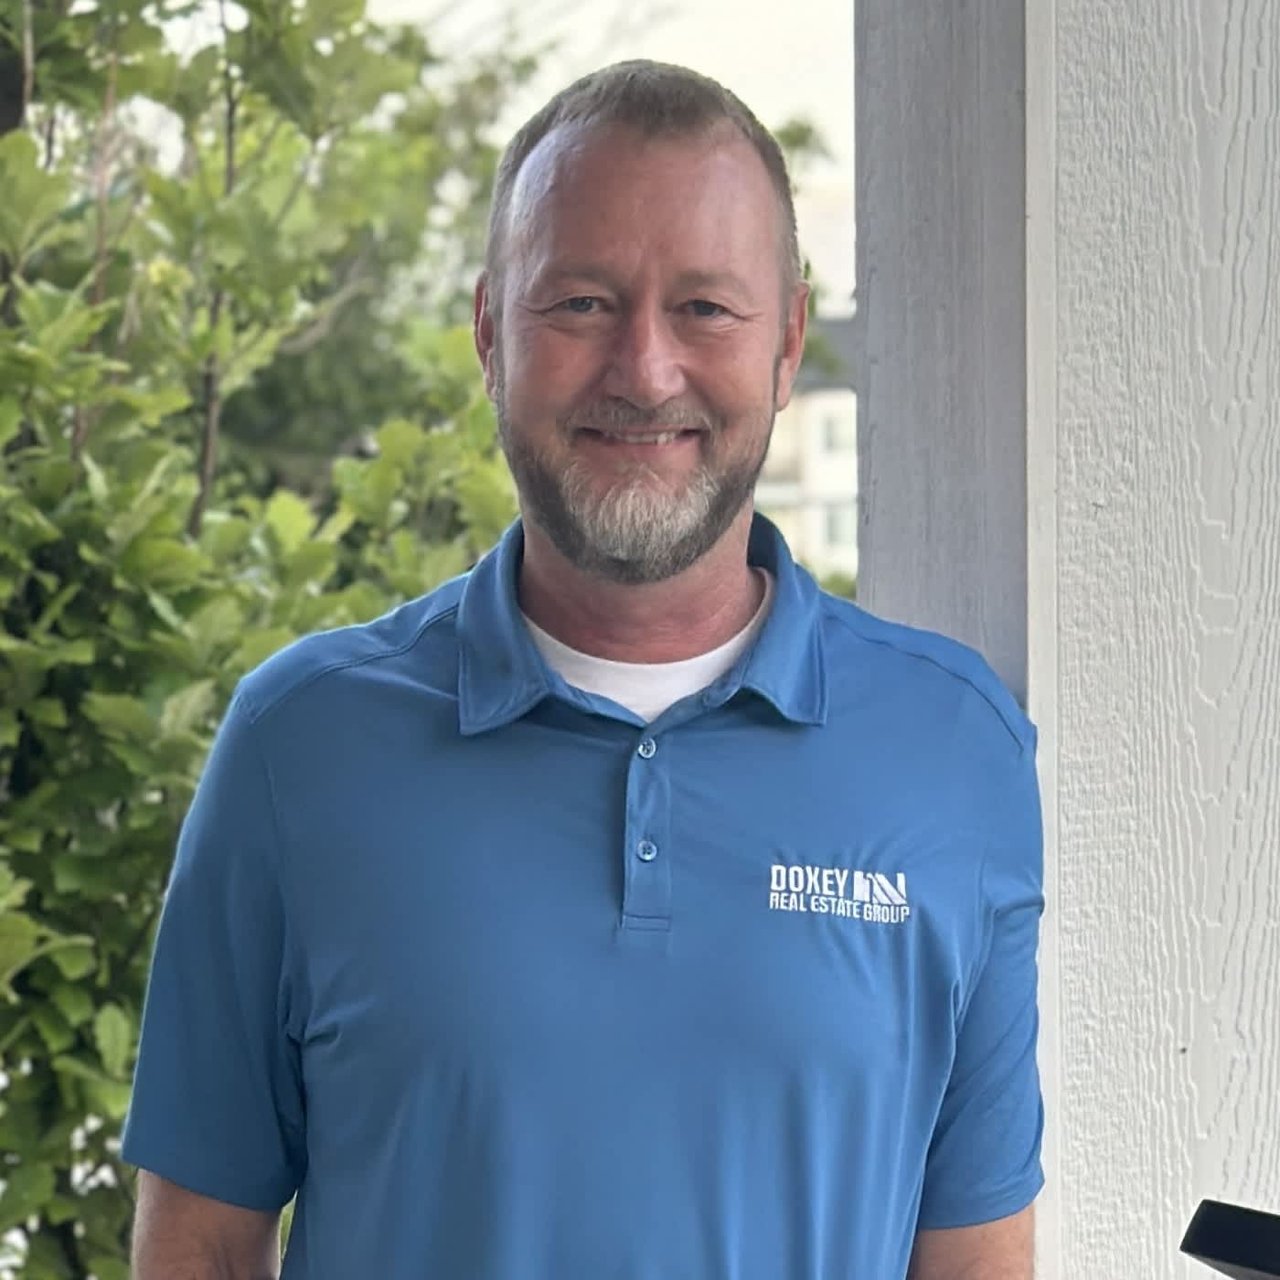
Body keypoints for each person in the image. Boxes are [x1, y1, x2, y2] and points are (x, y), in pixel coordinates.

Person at [125, 59, 1044, 1280]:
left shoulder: (954, 747)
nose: (644, 370)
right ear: (488, 333)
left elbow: (976, 1260)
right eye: (581, 303)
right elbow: (199, 1246)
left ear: (784, 346)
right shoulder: (302, 744)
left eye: (705, 309)